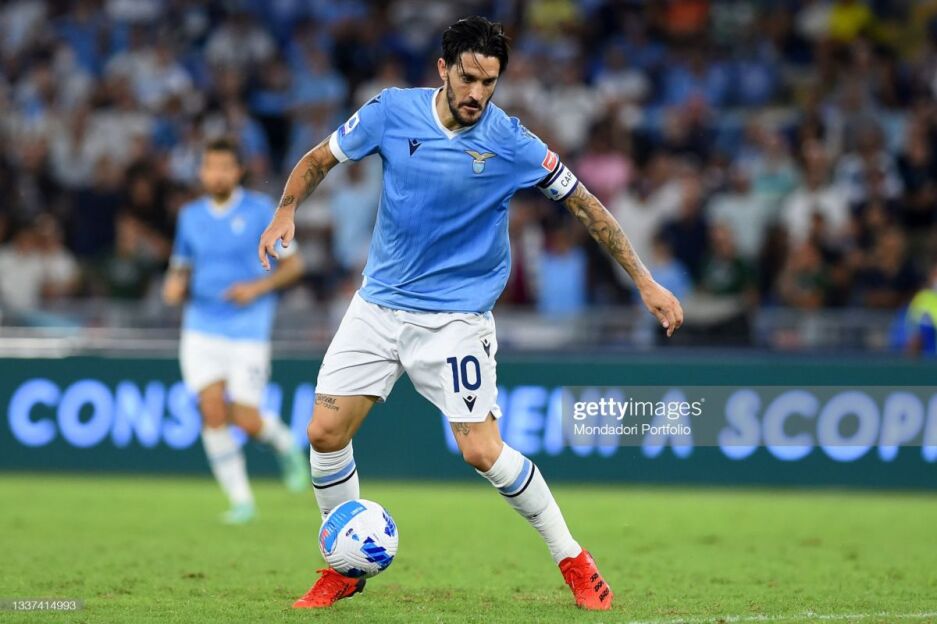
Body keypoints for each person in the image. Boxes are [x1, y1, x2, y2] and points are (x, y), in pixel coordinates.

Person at [258, 17, 683, 611]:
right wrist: (285, 210)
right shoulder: (391, 111)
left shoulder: (512, 141)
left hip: (455, 321)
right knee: (324, 434)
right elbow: (318, 159)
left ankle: (573, 559)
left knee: (482, 450)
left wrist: (645, 280)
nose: (477, 93)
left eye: (489, 82)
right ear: (443, 69)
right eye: (468, 78)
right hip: (378, 305)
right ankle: (343, 567)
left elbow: (586, 206)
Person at [163, 137, 307, 524]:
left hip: (248, 328)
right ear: (201, 172)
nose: (217, 175)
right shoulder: (190, 216)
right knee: (211, 410)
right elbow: (181, 266)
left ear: (237, 171)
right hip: (201, 326)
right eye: (210, 167)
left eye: (224, 167)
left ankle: (285, 445)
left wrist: (256, 289)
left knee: (245, 418)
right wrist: (174, 284)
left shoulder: (261, 210)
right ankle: (241, 501)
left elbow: (295, 266)